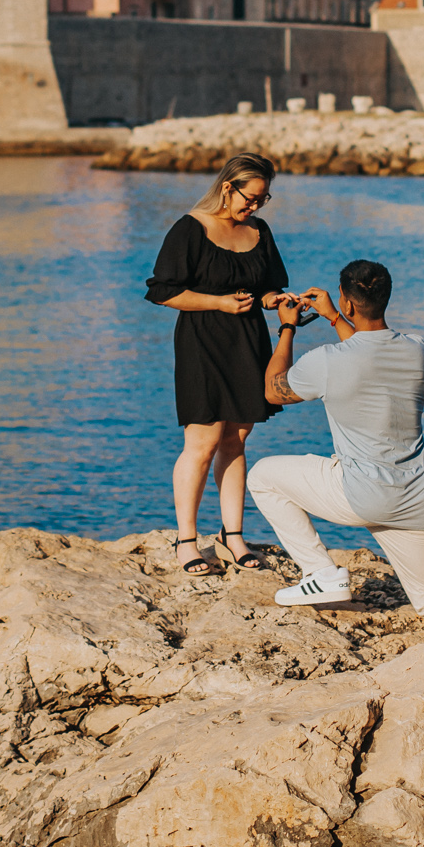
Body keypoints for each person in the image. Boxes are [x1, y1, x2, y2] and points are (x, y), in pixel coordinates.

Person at [249, 260, 424, 652]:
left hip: (360, 495)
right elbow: (367, 349)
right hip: (418, 499)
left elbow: (273, 390)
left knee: (263, 476)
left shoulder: (329, 361)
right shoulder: (419, 350)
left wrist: (287, 327)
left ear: (348, 302)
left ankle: (320, 573)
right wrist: (334, 316)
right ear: (386, 297)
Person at [144, 152, 290, 576]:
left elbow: (266, 286)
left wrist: (272, 300)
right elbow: (162, 292)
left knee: (236, 441)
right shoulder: (189, 228)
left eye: (263, 200)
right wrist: (219, 303)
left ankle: (233, 537)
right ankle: (186, 541)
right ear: (228, 187)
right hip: (202, 343)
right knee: (203, 443)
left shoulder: (259, 230)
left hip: (248, 343)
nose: (256, 206)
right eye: (252, 198)